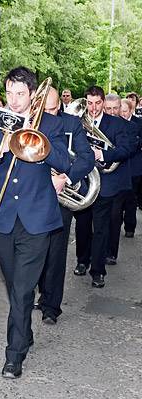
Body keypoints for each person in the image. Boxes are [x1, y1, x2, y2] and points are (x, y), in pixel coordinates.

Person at [0, 67, 70, 379]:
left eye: (20, 94)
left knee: (23, 289)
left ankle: (14, 355)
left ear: (32, 95)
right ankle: (24, 330)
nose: (13, 101)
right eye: (9, 93)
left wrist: (39, 146)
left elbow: (65, 163)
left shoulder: (50, 124)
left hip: (37, 219)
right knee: (17, 287)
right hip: (1, 218)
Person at [37, 87, 94, 325]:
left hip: (61, 195)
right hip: (35, 196)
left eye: (52, 109)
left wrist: (66, 178)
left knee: (57, 253)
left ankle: (52, 306)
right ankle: (42, 293)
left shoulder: (71, 123)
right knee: (36, 250)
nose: (48, 114)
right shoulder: (32, 120)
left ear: (59, 104)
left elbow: (87, 157)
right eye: (44, 109)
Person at [73, 88, 135, 288]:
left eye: (97, 103)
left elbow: (127, 149)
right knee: (82, 226)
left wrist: (103, 155)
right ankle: (82, 261)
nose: (93, 108)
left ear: (103, 102)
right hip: (83, 183)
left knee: (101, 229)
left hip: (106, 184)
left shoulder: (117, 124)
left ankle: (98, 271)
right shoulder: (78, 123)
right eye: (89, 103)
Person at [105, 95, 140, 263]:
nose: (112, 112)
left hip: (120, 178)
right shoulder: (99, 124)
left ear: (120, 107)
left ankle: (111, 252)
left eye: (115, 108)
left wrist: (105, 154)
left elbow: (128, 150)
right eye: (108, 108)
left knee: (114, 216)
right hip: (101, 177)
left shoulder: (131, 127)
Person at [117, 98, 142, 238]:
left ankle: (130, 227)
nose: (123, 114)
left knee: (131, 199)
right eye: (121, 111)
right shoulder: (117, 123)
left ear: (131, 110)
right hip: (121, 166)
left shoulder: (139, 123)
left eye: (125, 111)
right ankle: (117, 223)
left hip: (135, 166)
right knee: (119, 198)